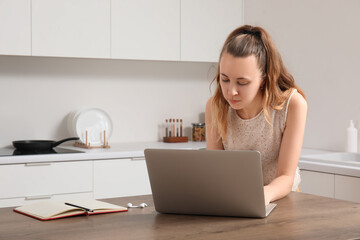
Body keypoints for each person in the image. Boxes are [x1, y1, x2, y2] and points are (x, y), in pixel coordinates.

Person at [205, 25, 307, 205]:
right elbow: (215, 173)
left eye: (242, 82)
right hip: (236, 202)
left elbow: (285, 176)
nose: (231, 92)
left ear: (264, 78)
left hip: (283, 202)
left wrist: (260, 196)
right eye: (225, 79)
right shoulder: (215, 106)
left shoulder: (293, 105)